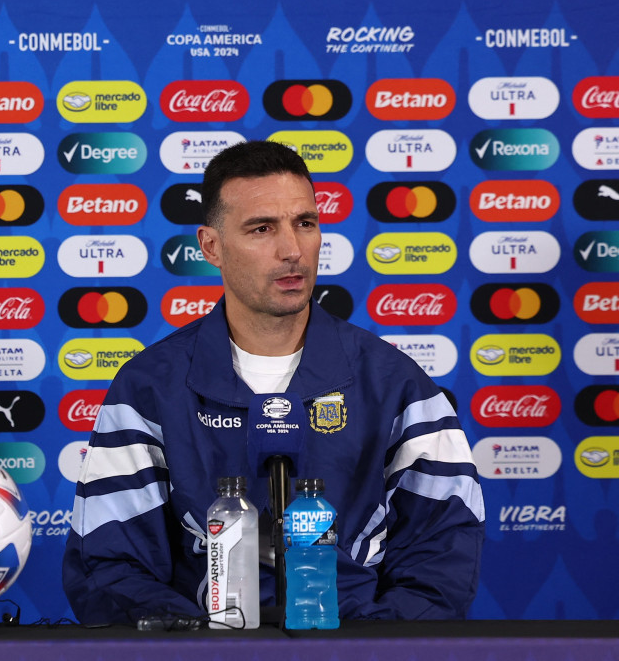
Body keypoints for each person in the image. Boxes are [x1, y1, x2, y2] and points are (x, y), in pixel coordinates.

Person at [63, 140, 484, 623]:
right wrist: (202, 649)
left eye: (304, 223)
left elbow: (445, 551)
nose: (291, 251)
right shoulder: (148, 388)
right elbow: (111, 563)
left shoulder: (396, 385)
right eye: (261, 229)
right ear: (211, 246)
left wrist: (367, 650)